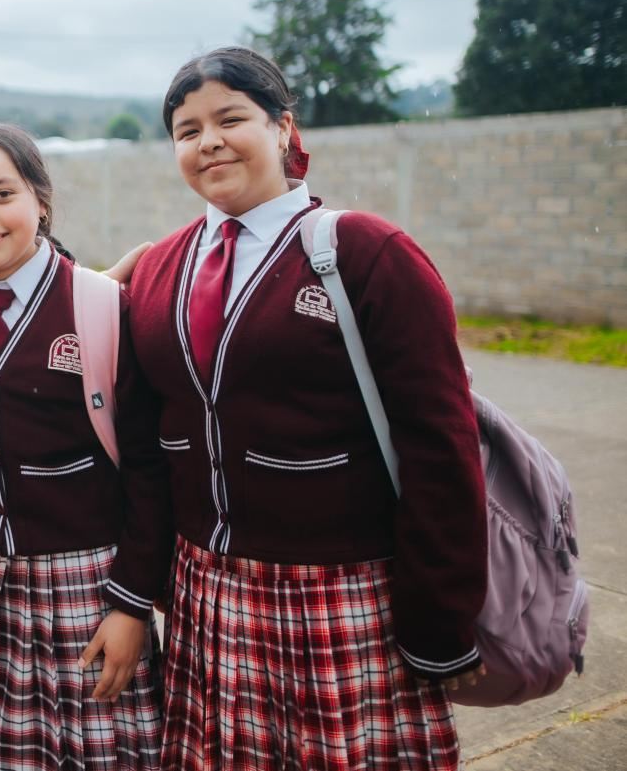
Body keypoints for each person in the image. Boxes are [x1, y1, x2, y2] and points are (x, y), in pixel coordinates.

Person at [127, 47, 487, 770]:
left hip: (341, 592)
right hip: (205, 593)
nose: (209, 141)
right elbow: (145, 440)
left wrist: (440, 620)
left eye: (232, 118)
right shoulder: (159, 267)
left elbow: (441, 444)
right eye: (187, 129)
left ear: (284, 127)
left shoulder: (366, 252)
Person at [0, 123, 169, 769]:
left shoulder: (100, 307)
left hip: (87, 594)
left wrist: (131, 604)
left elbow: (150, 473)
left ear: (40, 199)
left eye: (1, 194)